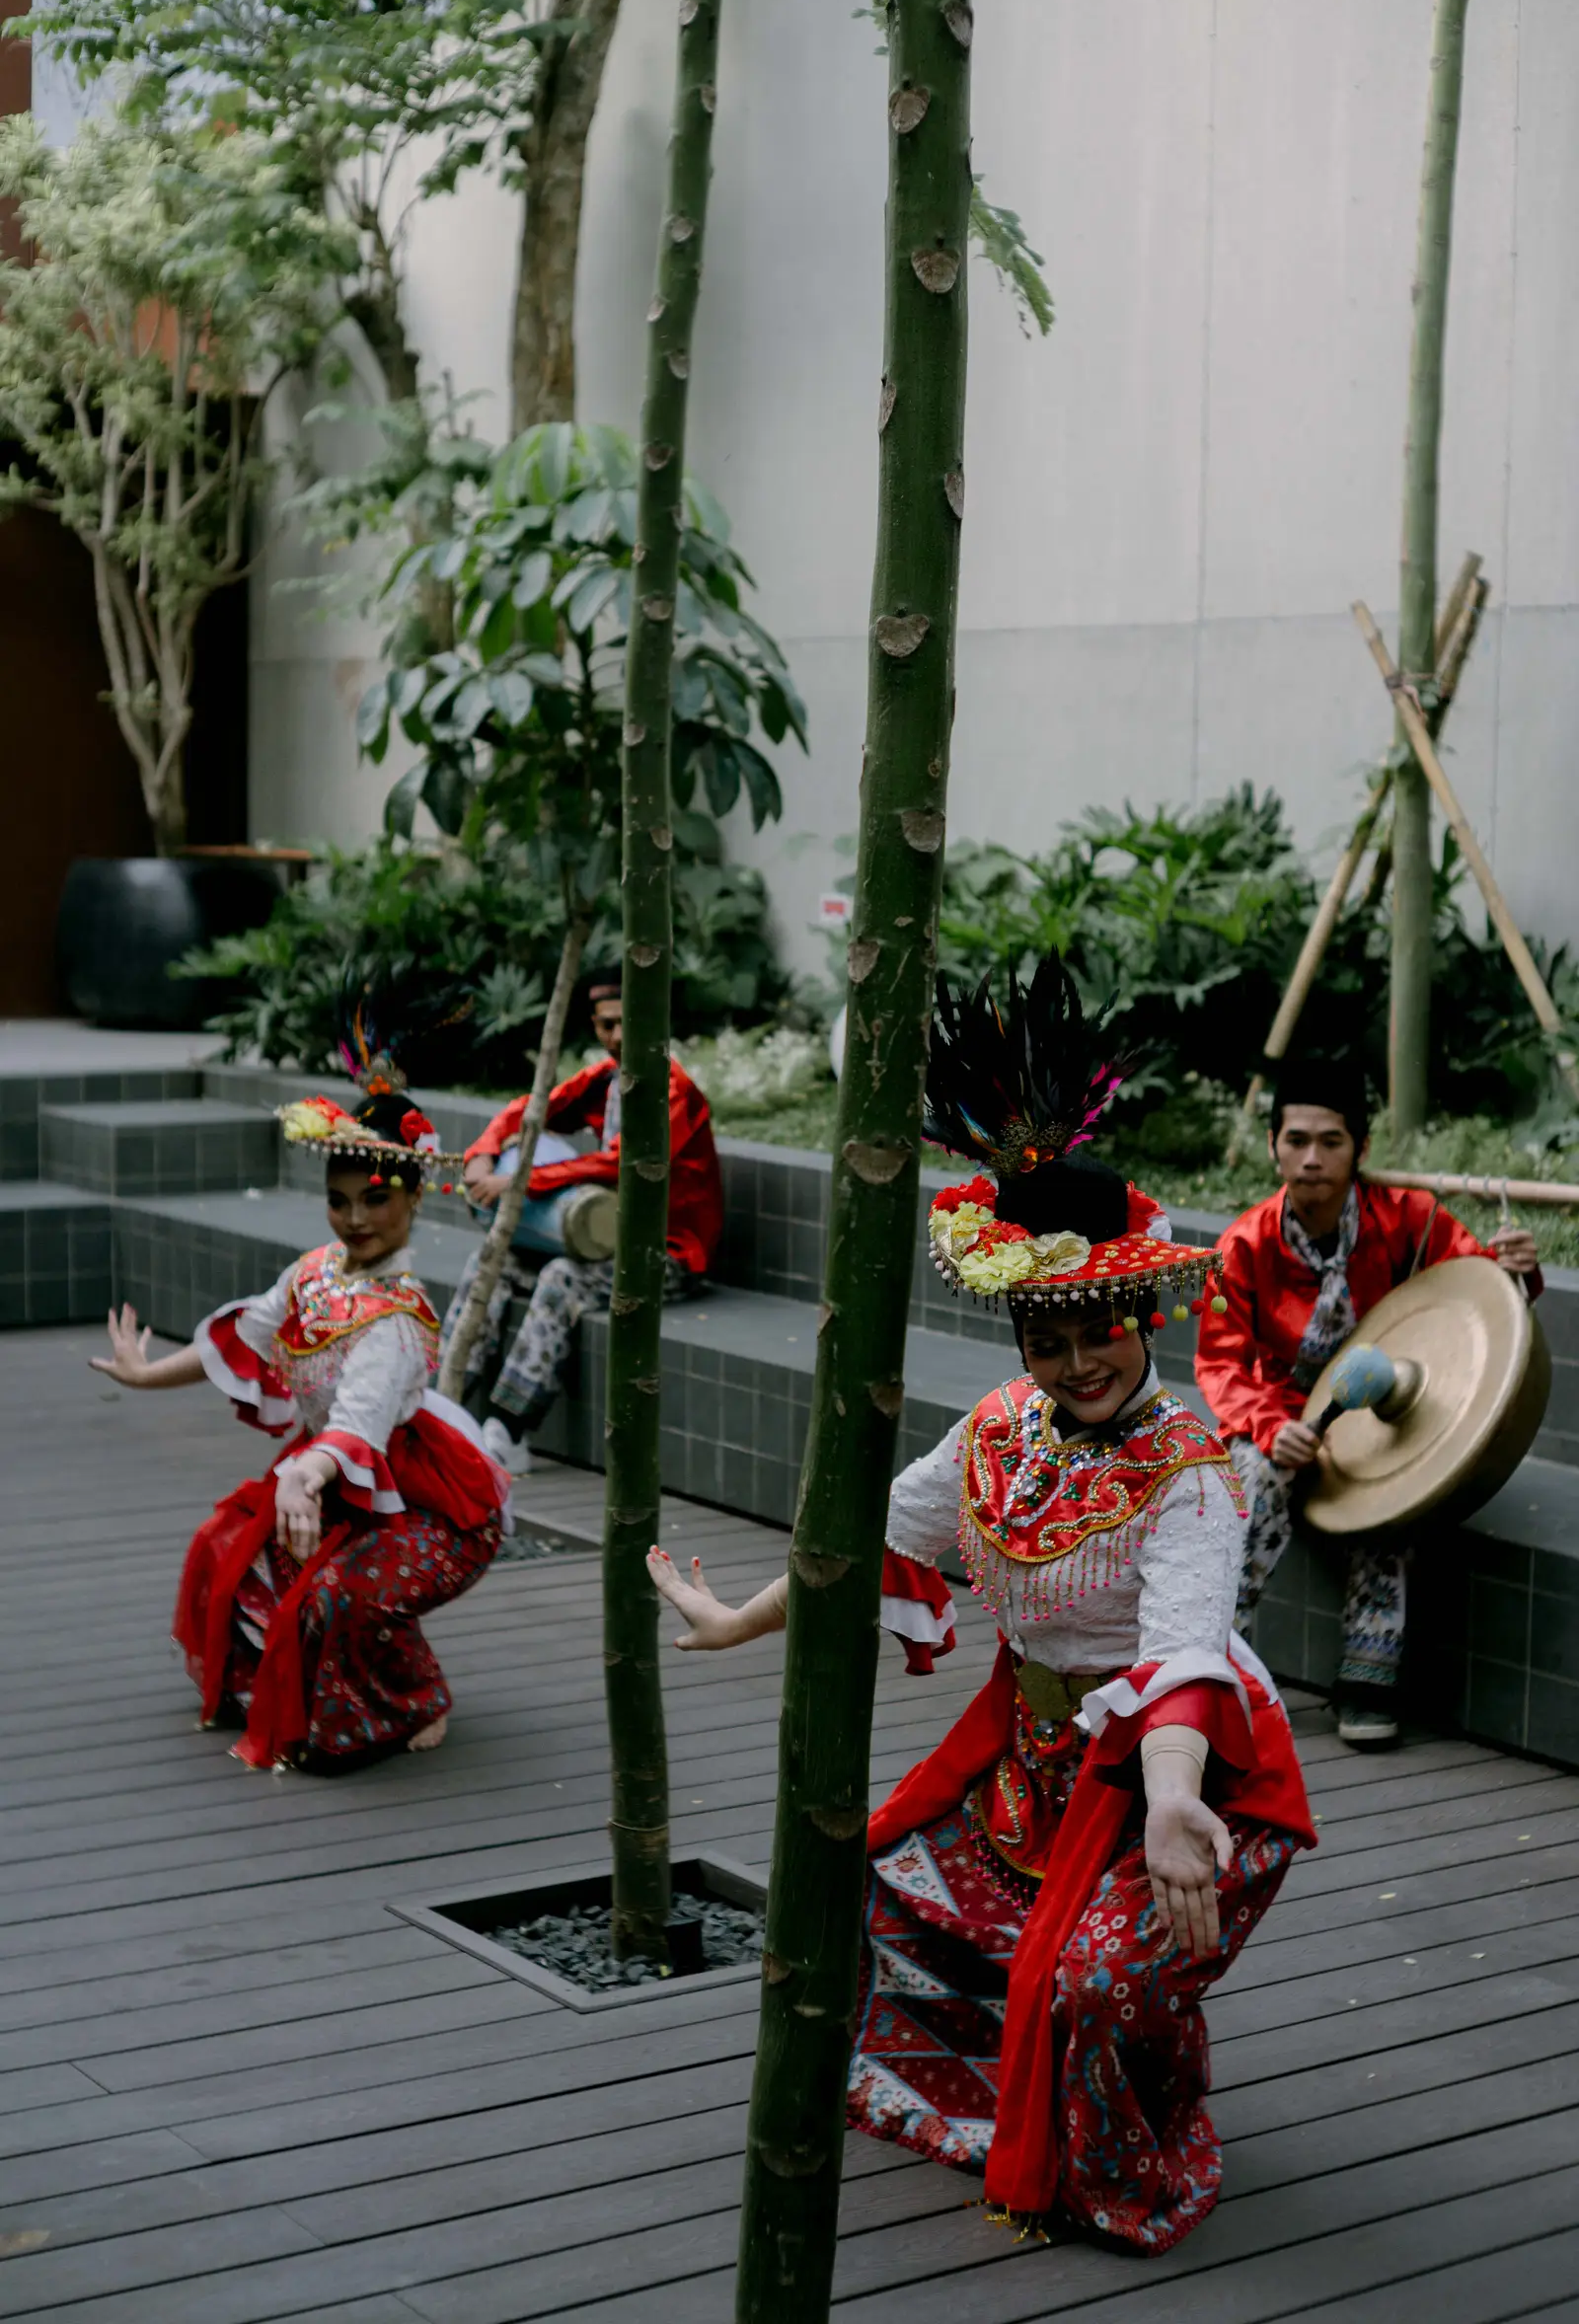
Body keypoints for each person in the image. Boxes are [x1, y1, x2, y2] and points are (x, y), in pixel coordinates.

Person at [647, 955, 1314, 2253]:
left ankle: (1127, 2148)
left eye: (1097, 1328)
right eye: (1045, 1339)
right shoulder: (1001, 1430)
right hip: (1031, 1755)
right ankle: (987, 2098)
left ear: (1141, 1311)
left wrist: (1175, 1796)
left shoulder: (1193, 1470)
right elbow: (876, 1541)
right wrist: (742, 1621)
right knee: (869, 1894)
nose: (1076, 1362)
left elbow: (1184, 1651)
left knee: (1101, 1979)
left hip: (1182, 1768)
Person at [90, 1003, 510, 1772]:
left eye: (376, 1200)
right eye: (339, 1200)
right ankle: (284, 1688)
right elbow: (247, 1334)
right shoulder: (314, 1272)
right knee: (227, 1552)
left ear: (415, 1198)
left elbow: (357, 1425)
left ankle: (415, 1696)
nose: (355, 1219)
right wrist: (147, 1374)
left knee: (344, 1596)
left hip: (427, 1500)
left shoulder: (394, 1320)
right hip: (332, 1479)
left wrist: (303, 1476)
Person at [1197, 1060, 1542, 1749]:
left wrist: (1519, 1271)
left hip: (1388, 1413)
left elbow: (1486, 1294)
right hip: (1286, 1416)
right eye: (1296, 1140)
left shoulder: (1411, 1221)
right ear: (1273, 1147)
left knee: (1400, 1489)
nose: (1311, 1158)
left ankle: (1366, 1680)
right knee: (1251, 1481)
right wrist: (1272, 1428)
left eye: (1331, 1141)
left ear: (1361, 1149)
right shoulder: (1243, 1245)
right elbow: (1222, 1364)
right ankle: (1206, 1667)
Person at [443, 968, 723, 1474]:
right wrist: (483, 1156)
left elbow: (624, 1162)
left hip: (668, 1254)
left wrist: (524, 1178)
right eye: (605, 1025)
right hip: (607, 1243)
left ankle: (507, 1429)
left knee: (560, 1278)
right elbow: (525, 1112)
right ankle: (442, 1399)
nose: (616, 1037)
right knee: (494, 1256)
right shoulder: (605, 1079)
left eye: (627, 1023)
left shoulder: (673, 1090)